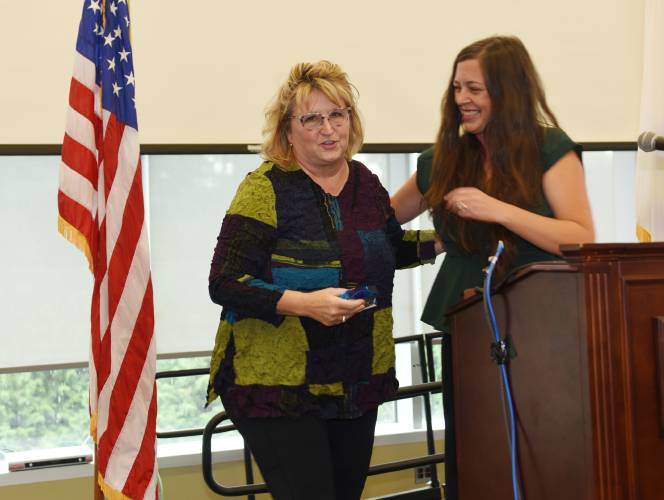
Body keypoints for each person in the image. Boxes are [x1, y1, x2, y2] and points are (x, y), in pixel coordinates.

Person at [205, 60, 438, 500]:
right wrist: (304, 303)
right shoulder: (265, 188)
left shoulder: (366, 184)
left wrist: (443, 240)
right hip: (277, 384)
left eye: (338, 115)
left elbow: (387, 249)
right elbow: (225, 282)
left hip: (356, 376)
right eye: (311, 119)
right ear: (287, 131)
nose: (328, 129)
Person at [390, 36, 595, 499]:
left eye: (475, 89)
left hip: (541, 324)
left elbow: (579, 237)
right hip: (466, 326)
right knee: (476, 447)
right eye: (457, 88)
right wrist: (437, 242)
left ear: (509, 91)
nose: (462, 99)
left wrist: (497, 209)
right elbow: (380, 224)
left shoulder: (551, 149)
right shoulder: (441, 160)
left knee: (539, 445)